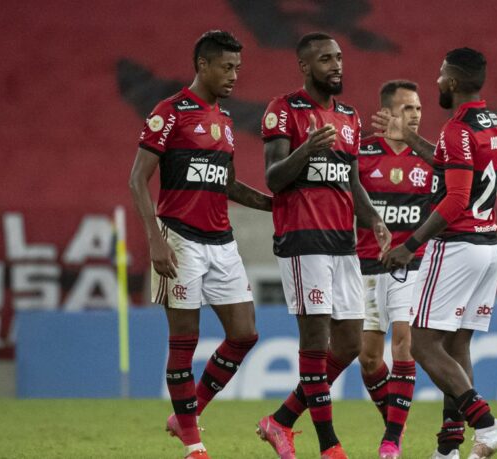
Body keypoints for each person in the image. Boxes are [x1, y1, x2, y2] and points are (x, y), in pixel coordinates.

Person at [128, 30, 272, 459]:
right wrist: (154, 239)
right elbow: (137, 179)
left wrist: (271, 204)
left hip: (222, 242)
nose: (233, 75)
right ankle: (194, 445)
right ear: (203, 65)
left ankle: (186, 414)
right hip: (180, 239)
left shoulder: (224, 122)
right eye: (226, 67)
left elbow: (224, 183)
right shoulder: (170, 112)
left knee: (244, 334)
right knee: (184, 340)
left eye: (237, 68)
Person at [256, 32, 391, 459]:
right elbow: (274, 178)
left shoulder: (349, 116)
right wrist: (306, 150)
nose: (336, 66)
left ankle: (280, 420)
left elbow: (351, 182)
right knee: (315, 343)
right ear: (305, 66)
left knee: (350, 343)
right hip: (303, 241)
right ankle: (329, 446)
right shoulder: (285, 110)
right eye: (326, 59)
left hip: (342, 243)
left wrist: (373, 219)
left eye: (339, 58)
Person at [378, 47, 497, 459]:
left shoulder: (457, 130)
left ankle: (487, 424)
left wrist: (409, 245)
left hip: (457, 246)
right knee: (456, 348)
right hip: (489, 246)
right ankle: (448, 449)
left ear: (452, 81)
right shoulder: (490, 124)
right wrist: (410, 139)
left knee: (421, 344)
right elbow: (449, 165)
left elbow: (455, 199)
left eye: (440, 74)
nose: (436, 80)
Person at [356, 80, 432, 459]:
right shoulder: (363, 154)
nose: (415, 115)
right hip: (367, 265)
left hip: (411, 265)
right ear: (386, 113)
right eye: (406, 108)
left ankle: (390, 442)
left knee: (404, 339)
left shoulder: (430, 158)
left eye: (417, 108)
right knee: (369, 359)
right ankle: (395, 422)